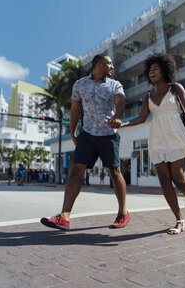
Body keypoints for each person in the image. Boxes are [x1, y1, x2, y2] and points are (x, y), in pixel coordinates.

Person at [119, 53, 185, 235]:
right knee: (163, 180)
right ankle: (179, 220)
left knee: (178, 178)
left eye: (156, 68)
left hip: (176, 136)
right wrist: (121, 124)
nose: (152, 72)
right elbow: (141, 118)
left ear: (164, 70)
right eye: (150, 70)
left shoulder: (176, 88)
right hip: (157, 138)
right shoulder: (148, 96)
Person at [41, 54, 130, 230]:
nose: (112, 67)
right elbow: (75, 108)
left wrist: (117, 116)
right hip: (88, 134)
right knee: (76, 171)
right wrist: (73, 131)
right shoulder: (80, 84)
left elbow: (121, 103)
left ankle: (123, 213)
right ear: (99, 64)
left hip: (108, 134)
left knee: (115, 171)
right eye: (109, 63)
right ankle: (64, 216)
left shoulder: (114, 84)